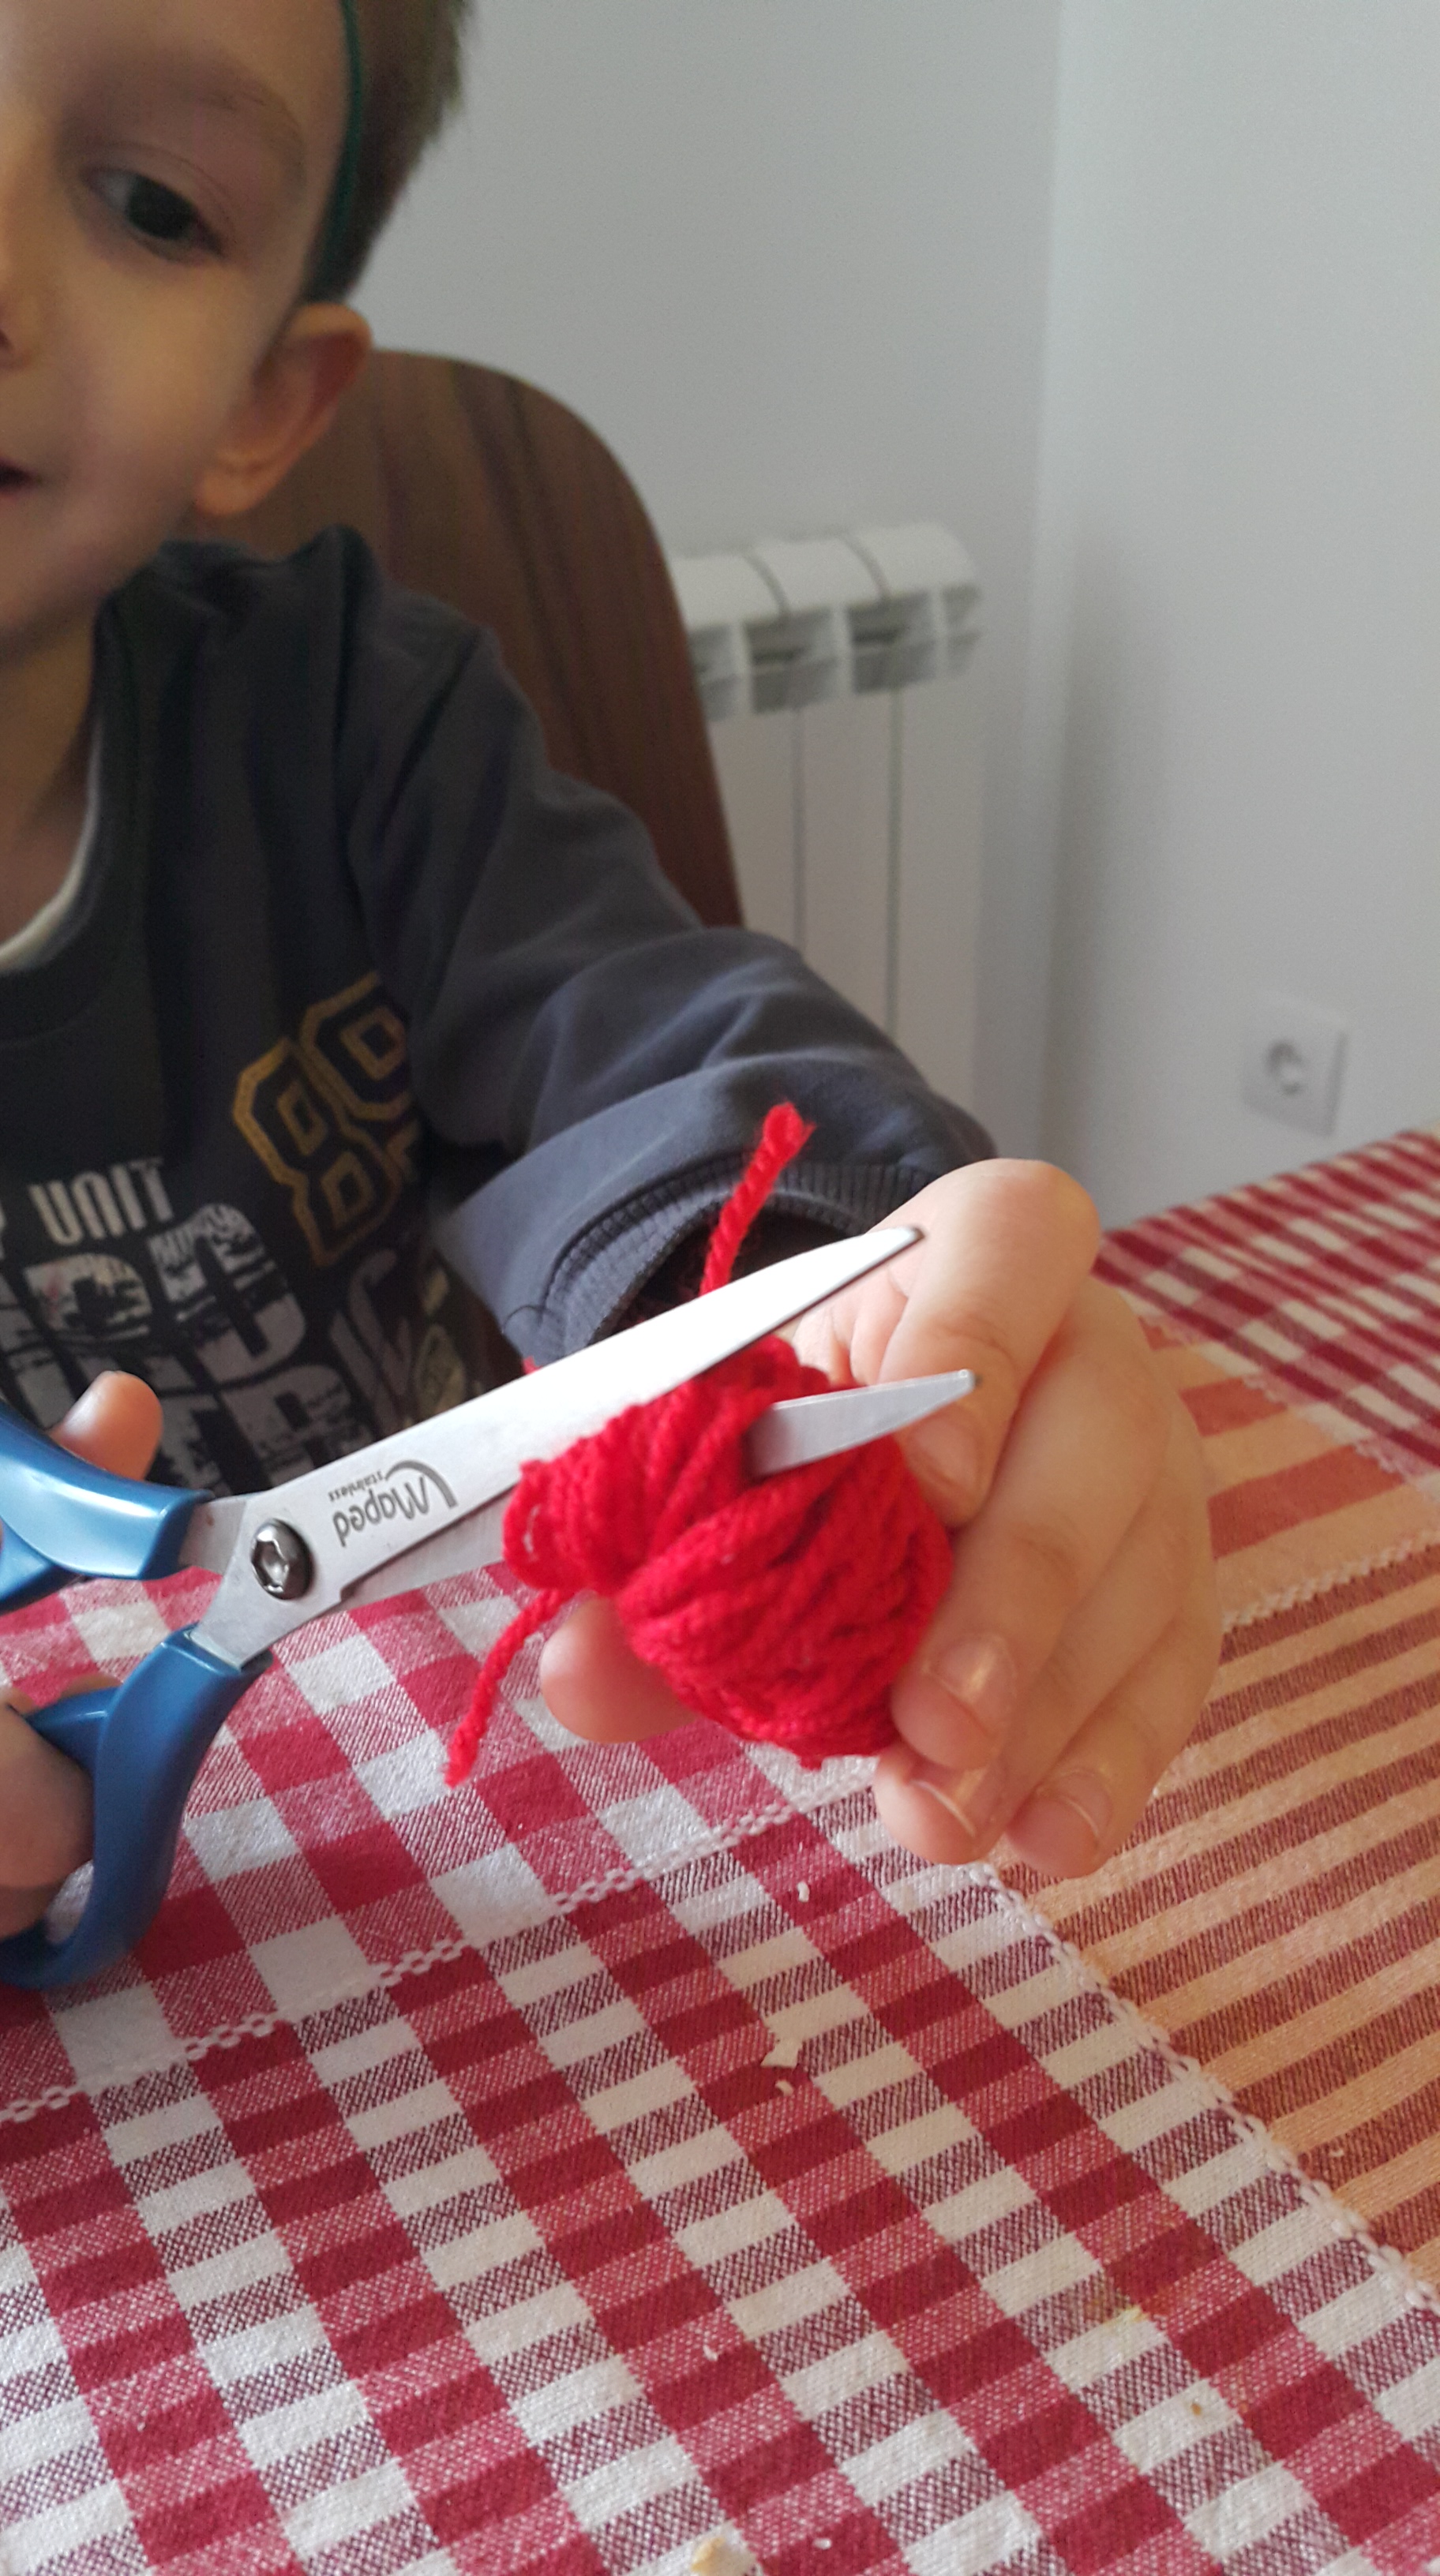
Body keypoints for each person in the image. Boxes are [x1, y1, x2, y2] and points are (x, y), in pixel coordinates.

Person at [0, 0, 1221, 1941]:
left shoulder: (355, 722)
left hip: (417, 1781)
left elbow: (657, 1050)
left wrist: (855, 1299)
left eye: (151, 202)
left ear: (266, 405)